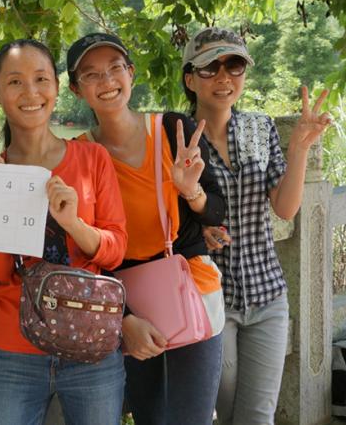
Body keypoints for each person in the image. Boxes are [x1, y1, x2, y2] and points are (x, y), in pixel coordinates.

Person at [67, 32, 227, 425]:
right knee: (149, 417)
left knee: (193, 417)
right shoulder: (81, 154)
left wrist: (191, 192)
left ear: (131, 74)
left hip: (190, 289)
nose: (107, 82)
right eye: (92, 75)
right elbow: (83, 248)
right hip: (127, 302)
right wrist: (122, 318)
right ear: (76, 88)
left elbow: (216, 209)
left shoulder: (172, 129)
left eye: (115, 69)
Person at [0, 38, 128, 425]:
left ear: (57, 88)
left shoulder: (92, 158)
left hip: (90, 345)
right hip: (14, 349)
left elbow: (115, 249)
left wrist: (73, 223)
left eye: (41, 79)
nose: (31, 93)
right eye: (14, 82)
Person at [181, 27, 331, 425]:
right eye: (210, 67)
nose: (224, 77)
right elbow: (167, 215)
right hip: (211, 298)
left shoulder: (258, 127)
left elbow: (284, 207)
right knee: (225, 409)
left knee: (257, 416)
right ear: (190, 78)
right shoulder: (175, 137)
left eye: (234, 65)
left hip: (267, 294)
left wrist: (299, 148)